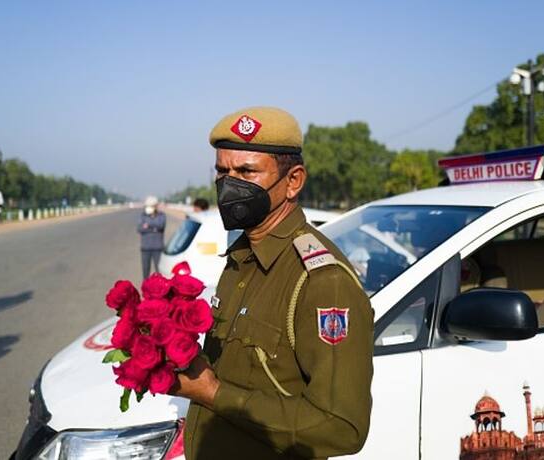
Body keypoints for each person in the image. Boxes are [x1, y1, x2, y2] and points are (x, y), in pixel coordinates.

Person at [174, 107, 374, 459]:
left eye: (246, 171)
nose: (229, 185)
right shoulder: (241, 257)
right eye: (222, 171)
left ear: (293, 181)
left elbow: (342, 426)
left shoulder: (322, 281)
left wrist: (213, 393)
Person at [137, 196, 165, 280]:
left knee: (159, 272)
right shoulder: (143, 216)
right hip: (145, 248)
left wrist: (148, 225)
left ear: (155, 206)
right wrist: (154, 228)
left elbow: (161, 226)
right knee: (145, 272)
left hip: (158, 248)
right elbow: (139, 229)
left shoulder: (161, 215)